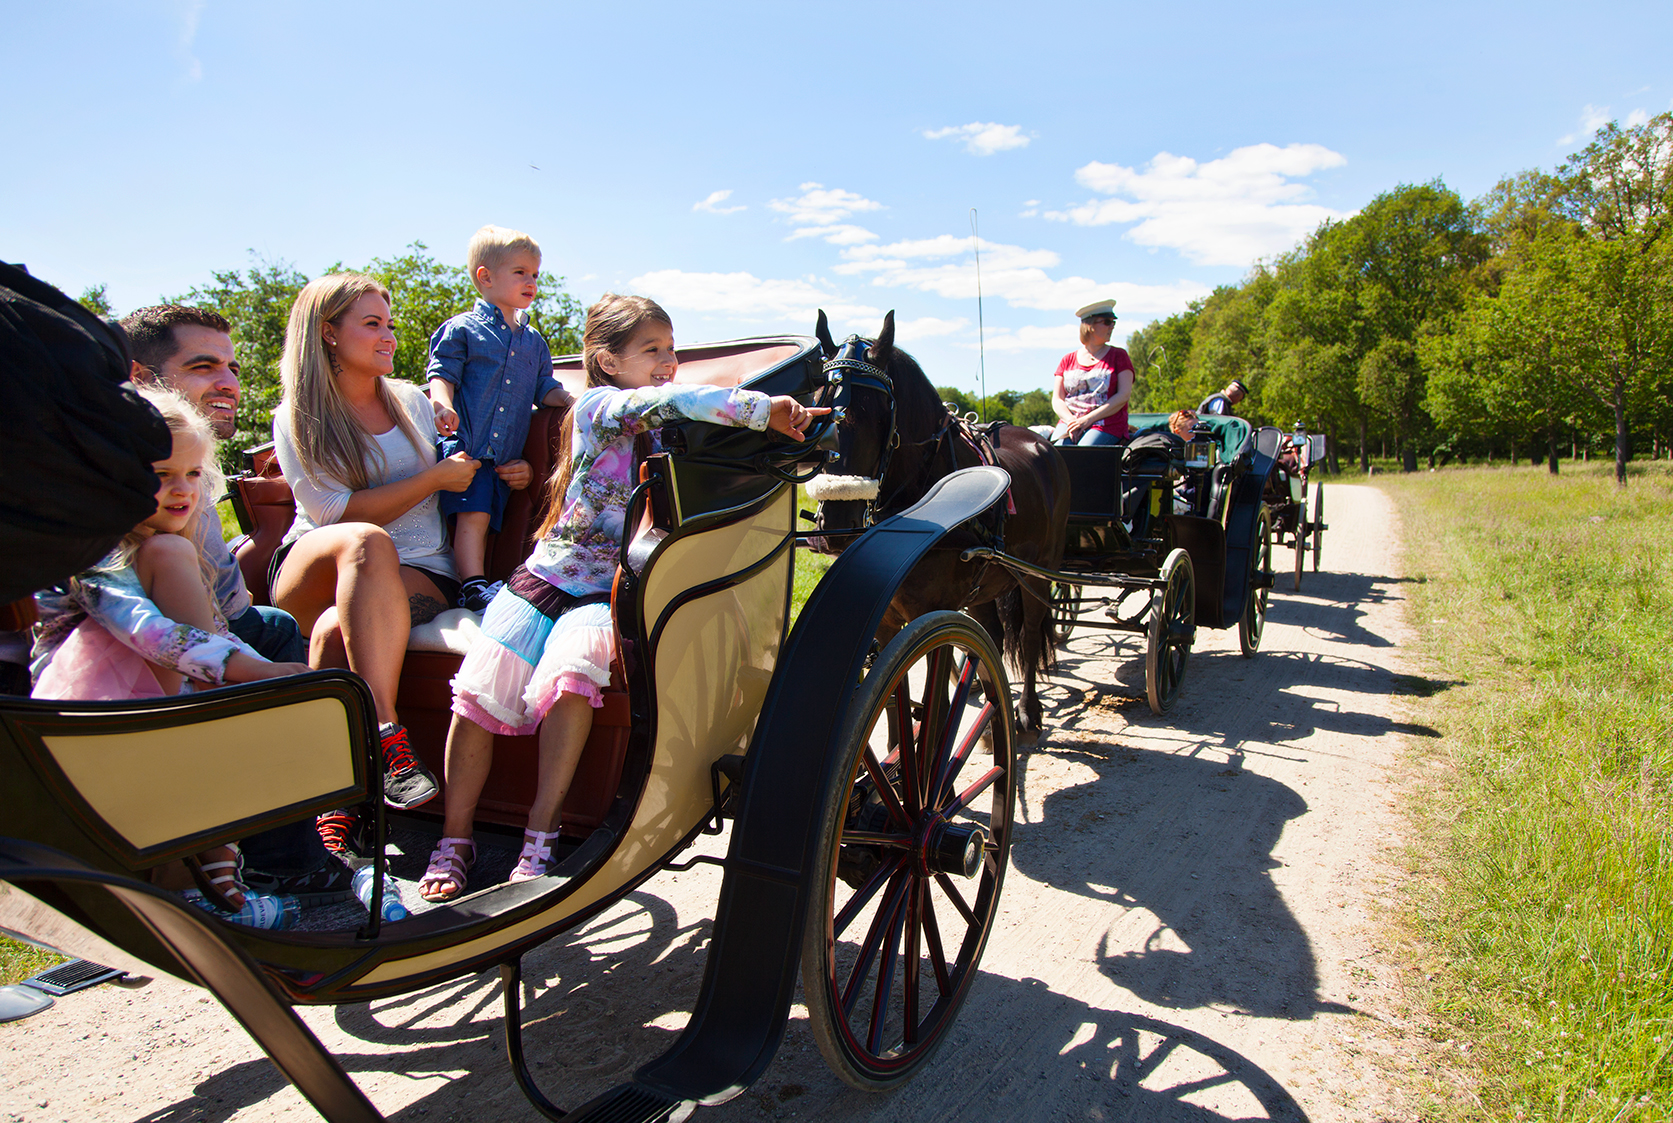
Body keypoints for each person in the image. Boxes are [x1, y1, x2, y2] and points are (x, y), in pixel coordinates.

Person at [418, 294, 826, 901]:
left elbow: (687, 423)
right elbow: (667, 398)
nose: (668, 360)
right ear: (606, 361)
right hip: (549, 575)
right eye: (652, 350)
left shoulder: (669, 428)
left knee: (573, 675)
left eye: (672, 349)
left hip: (608, 586)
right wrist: (761, 408)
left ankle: (541, 833)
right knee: (479, 688)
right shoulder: (598, 405)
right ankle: (454, 839)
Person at [32, 387, 311, 924]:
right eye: (162, 476)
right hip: (93, 712)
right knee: (174, 558)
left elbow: (208, 635)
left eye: (191, 475)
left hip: (145, 699)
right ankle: (198, 884)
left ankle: (217, 869)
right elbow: (151, 634)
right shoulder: (99, 554)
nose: (181, 491)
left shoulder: (150, 544)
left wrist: (261, 667)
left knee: (241, 651)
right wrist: (254, 672)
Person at [271, 273, 484, 813]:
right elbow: (332, 513)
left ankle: (333, 810)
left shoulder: (412, 403)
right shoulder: (298, 416)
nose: (389, 336)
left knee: (330, 631)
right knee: (364, 542)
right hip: (316, 564)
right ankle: (387, 731)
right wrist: (433, 480)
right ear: (327, 333)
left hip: (421, 567)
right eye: (372, 324)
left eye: (389, 324)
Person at [118, 306, 309, 665]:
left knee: (279, 624)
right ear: (139, 378)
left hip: (227, 619)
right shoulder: (118, 466)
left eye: (232, 369)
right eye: (203, 367)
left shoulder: (192, 453)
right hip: (173, 644)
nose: (230, 384)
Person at [427, 225, 573, 612]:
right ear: (485, 277)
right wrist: (442, 404)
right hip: (469, 447)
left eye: (535, 275)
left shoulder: (534, 342)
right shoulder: (462, 330)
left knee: (493, 517)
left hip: (504, 455)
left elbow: (545, 388)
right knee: (473, 515)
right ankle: (472, 586)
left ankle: (487, 578)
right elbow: (442, 373)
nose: (531, 282)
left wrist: (572, 400)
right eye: (520, 272)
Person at [1050, 298, 1136, 446]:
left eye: (1113, 322)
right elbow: (1057, 399)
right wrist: (1071, 421)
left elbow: (1123, 395)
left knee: (1085, 452)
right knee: (1056, 452)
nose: (1112, 327)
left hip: (1106, 425)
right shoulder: (1067, 359)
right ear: (1089, 325)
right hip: (1070, 422)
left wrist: (1087, 419)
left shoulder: (1119, 356)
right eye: (1107, 322)